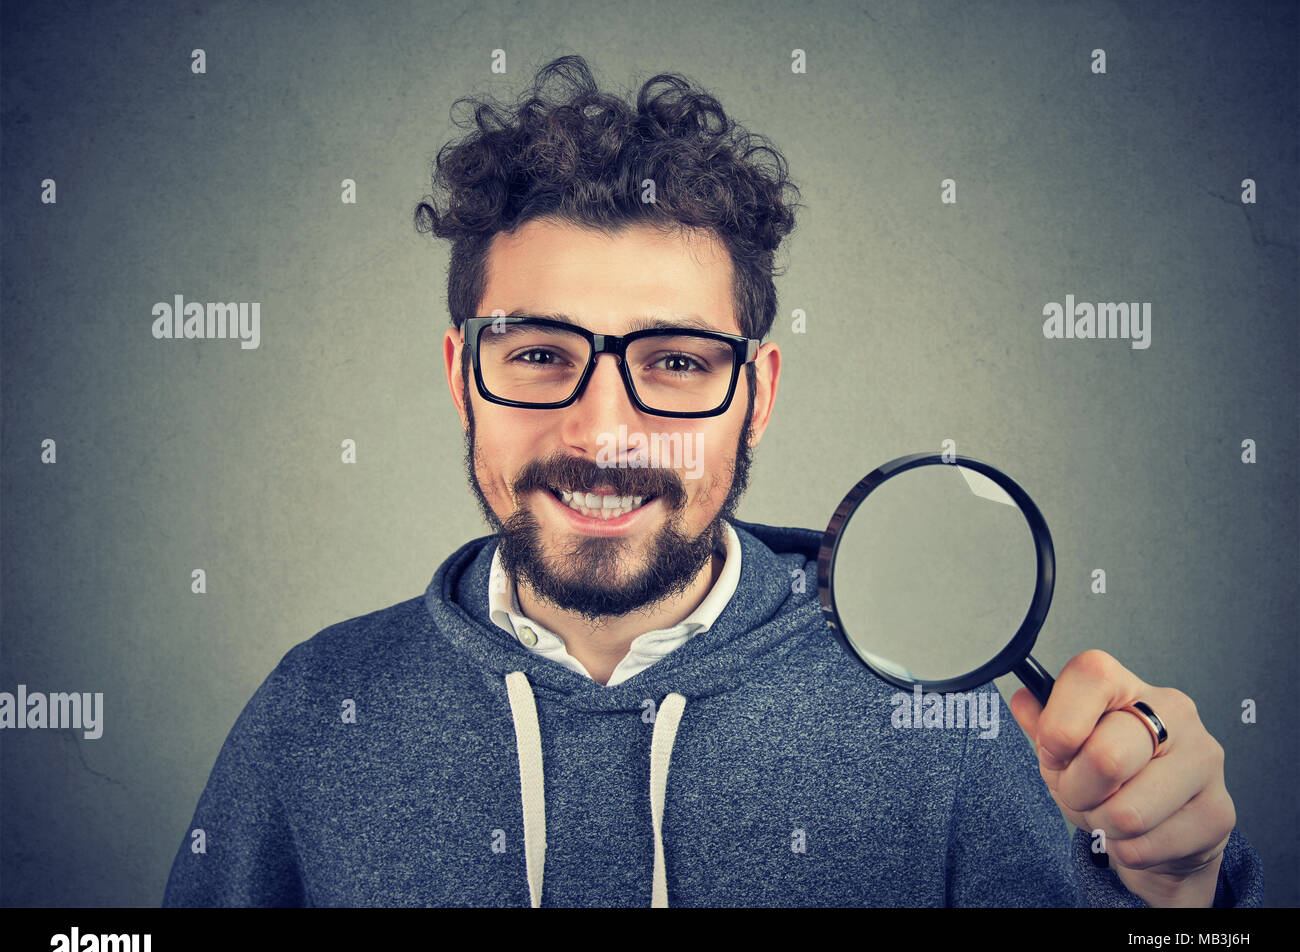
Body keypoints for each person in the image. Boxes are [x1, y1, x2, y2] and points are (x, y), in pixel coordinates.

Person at [163, 55, 1263, 908]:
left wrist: (1179, 903)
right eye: (540, 353)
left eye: (676, 362)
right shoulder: (315, 709)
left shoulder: (963, 724)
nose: (604, 431)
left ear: (758, 394)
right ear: (463, 375)